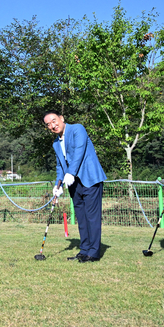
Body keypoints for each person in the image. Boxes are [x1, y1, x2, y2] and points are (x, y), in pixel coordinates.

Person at [43, 111, 107, 263]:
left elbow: (79, 151)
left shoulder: (78, 129)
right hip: (73, 184)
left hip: (90, 178)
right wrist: (58, 185)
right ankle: (84, 250)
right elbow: (60, 165)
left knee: (92, 217)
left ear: (62, 118)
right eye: (48, 124)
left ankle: (93, 252)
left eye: (54, 120)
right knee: (82, 218)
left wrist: (70, 173)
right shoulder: (55, 143)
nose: (53, 125)